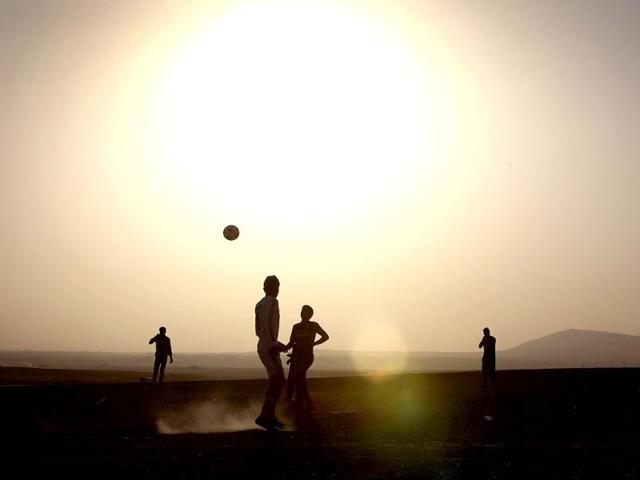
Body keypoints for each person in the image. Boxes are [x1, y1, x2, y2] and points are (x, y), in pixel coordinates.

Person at [254, 275, 287, 430]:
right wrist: (274, 343)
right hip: (269, 346)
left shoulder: (259, 304)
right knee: (278, 380)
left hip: (262, 344)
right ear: (275, 287)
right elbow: (268, 325)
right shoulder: (273, 302)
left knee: (276, 380)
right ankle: (265, 416)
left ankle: (268, 415)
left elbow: (258, 329)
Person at [285, 305, 329, 413]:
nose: (303, 313)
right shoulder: (296, 327)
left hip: (307, 356)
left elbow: (325, 336)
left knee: (298, 376)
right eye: (302, 311)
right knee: (296, 379)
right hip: (296, 356)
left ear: (310, 315)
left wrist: (313, 344)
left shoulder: (314, 325)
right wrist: (282, 347)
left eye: (306, 312)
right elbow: (291, 343)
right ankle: (303, 403)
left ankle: (303, 403)